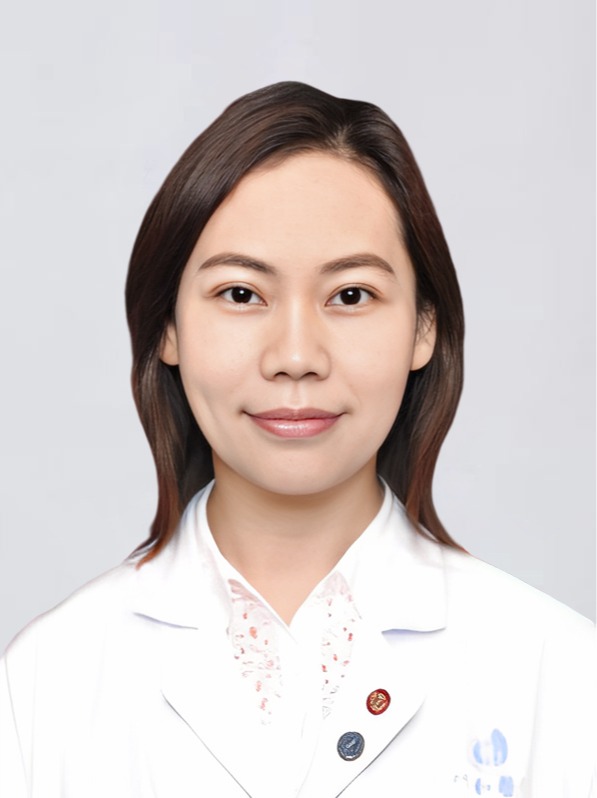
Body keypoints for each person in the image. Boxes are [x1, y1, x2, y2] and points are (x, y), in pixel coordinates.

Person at [0, 82, 594, 798]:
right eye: (241, 294)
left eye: (350, 295)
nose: (295, 356)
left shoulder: (561, 677)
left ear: (423, 329)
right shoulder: (43, 687)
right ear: (167, 329)